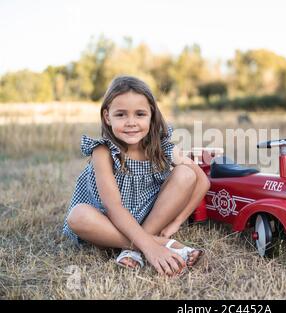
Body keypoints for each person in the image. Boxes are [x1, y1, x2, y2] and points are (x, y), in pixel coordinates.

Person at [62, 75, 210, 276]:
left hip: (148, 220)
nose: (131, 122)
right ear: (107, 117)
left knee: (185, 174)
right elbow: (113, 208)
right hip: (108, 223)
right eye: (121, 115)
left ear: (151, 114)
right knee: (77, 216)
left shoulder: (161, 146)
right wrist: (154, 247)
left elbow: (201, 180)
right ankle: (161, 244)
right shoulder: (103, 151)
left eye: (140, 114)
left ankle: (135, 247)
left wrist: (176, 223)